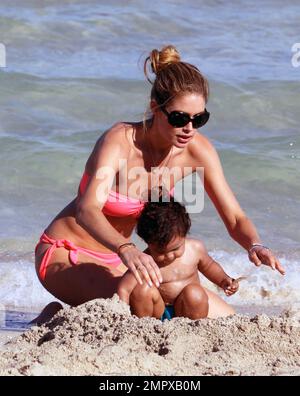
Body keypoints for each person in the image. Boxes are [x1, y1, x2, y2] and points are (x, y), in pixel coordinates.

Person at [34, 44, 285, 322]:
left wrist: (255, 245)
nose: (189, 128)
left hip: (123, 263)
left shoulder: (197, 150)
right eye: (179, 118)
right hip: (68, 254)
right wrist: (126, 248)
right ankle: (51, 317)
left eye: (199, 119)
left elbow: (235, 217)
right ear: (156, 108)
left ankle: (62, 315)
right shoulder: (119, 141)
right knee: (140, 307)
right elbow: (87, 209)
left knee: (227, 321)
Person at [118, 199, 239, 320]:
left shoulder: (195, 249)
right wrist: (122, 314)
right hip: (157, 312)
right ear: (148, 242)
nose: (169, 256)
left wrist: (223, 280)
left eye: (175, 249)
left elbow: (209, 266)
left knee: (195, 293)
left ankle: (194, 328)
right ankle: (144, 325)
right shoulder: (145, 262)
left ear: (185, 235)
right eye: (161, 252)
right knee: (142, 290)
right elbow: (124, 288)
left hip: (188, 310)